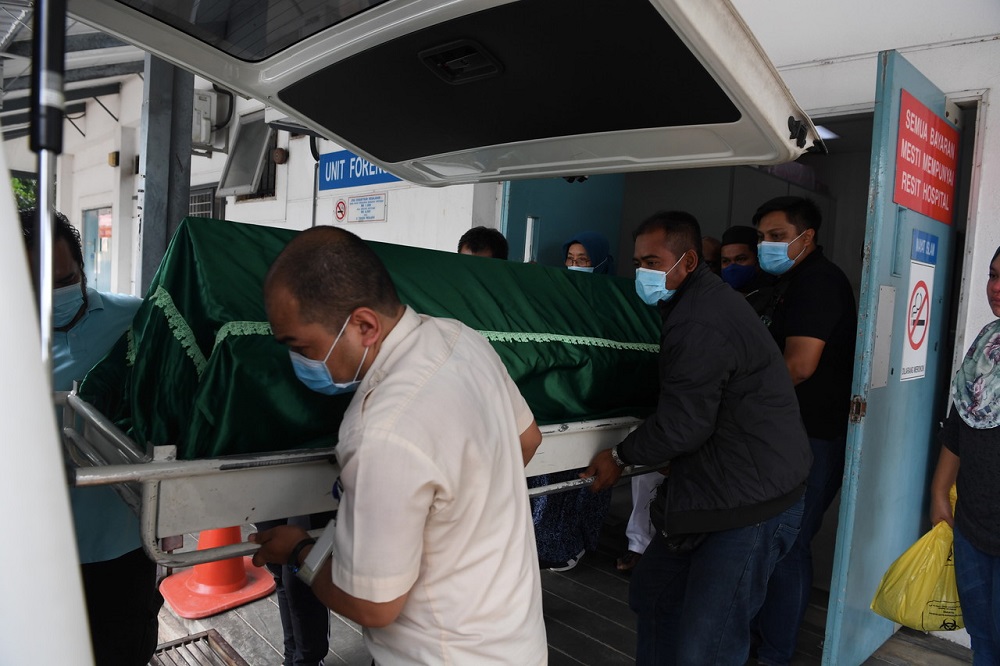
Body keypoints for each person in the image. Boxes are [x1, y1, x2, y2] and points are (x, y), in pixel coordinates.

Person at [249, 226, 547, 665]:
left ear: (365, 325)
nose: (300, 363)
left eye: (301, 346)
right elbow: (528, 438)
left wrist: (299, 551)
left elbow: (374, 605)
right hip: (515, 641)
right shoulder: (460, 338)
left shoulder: (382, 428)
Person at [583, 210, 811, 664]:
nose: (643, 273)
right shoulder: (694, 306)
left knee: (709, 646)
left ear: (687, 261)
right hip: (713, 490)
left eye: (653, 261)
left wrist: (620, 455)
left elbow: (685, 424)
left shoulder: (700, 320)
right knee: (653, 596)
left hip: (750, 505)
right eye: (638, 262)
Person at [24, 210, 162, 665]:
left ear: (82, 269)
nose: (56, 295)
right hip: (33, 554)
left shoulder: (135, 320)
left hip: (121, 546)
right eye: (37, 285)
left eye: (64, 279)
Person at [750, 196, 857, 666]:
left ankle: (775, 654)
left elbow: (799, 365)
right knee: (772, 543)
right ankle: (761, 642)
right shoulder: (785, 282)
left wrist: (737, 400)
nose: (765, 246)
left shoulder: (818, 283)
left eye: (776, 236)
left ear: (806, 236)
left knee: (787, 546)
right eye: (761, 237)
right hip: (785, 435)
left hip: (812, 436)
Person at [529, 230, 616, 571]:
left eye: (583, 261)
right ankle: (543, 543)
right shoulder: (558, 296)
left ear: (601, 263)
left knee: (581, 478)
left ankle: (573, 544)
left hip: (591, 402)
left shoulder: (610, 302)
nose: (575, 266)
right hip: (558, 401)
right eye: (570, 259)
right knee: (548, 479)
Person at [930, 245, 1000, 664]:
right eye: (993, 275)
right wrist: (940, 491)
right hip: (974, 523)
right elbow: (960, 424)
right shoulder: (987, 344)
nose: (996, 288)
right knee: (983, 636)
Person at [255, 513, 334, 666]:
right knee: (278, 567)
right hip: (265, 492)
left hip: (315, 493)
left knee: (301, 578)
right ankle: (291, 658)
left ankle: (307, 662)